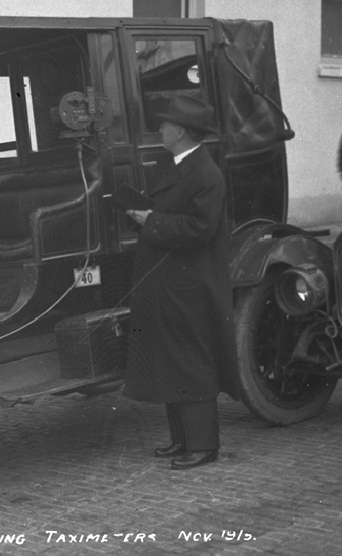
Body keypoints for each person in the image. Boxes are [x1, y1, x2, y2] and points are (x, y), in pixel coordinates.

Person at [123, 94, 239, 470]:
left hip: (188, 287)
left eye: (166, 125)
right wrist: (143, 215)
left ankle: (204, 446)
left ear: (182, 132)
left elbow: (199, 230)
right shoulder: (178, 165)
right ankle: (182, 440)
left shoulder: (206, 174)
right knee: (173, 361)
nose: (161, 129)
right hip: (170, 284)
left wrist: (149, 221)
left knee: (191, 363)